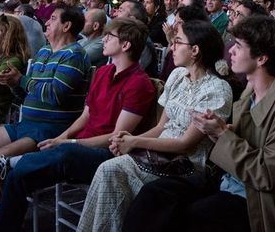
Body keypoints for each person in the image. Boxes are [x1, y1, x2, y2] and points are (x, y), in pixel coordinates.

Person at [122, 15, 275, 232]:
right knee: (155, 195)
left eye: (238, 46)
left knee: (193, 216)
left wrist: (222, 134)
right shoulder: (249, 95)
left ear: (261, 59)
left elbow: (265, 175)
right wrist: (217, 132)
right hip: (226, 180)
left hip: (255, 199)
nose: (230, 51)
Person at [0, 17, 156, 231]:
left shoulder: (139, 84)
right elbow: (85, 117)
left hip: (105, 154)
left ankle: (13, 163)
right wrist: (61, 138)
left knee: (63, 154)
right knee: (19, 176)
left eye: (110, 37)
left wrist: (69, 142)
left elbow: (117, 138)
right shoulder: (103, 72)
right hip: (78, 144)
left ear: (126, 45)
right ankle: (9, 197)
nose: (104, 40)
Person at [76, 20, 233, 232]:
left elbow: (185, 144)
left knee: (111, 169)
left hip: (185, 164)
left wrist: (136, 141)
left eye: (177, 42)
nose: (172, 47)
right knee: (109, 168)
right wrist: (129, 142)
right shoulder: (178, 76)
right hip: (156, 153)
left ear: (195, 50)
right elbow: (161, 127)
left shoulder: (217, 89)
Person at [0, 6, 91, 226]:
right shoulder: (43, 52)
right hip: (26, 123)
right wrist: (13, 85)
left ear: (66, 26)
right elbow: (25, 95)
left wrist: (20, 80)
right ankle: (3, 206)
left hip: (52, 129)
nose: (46, 22)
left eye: (53, 19)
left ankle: (8, 215)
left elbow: (55, 94)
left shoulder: (75, 55)